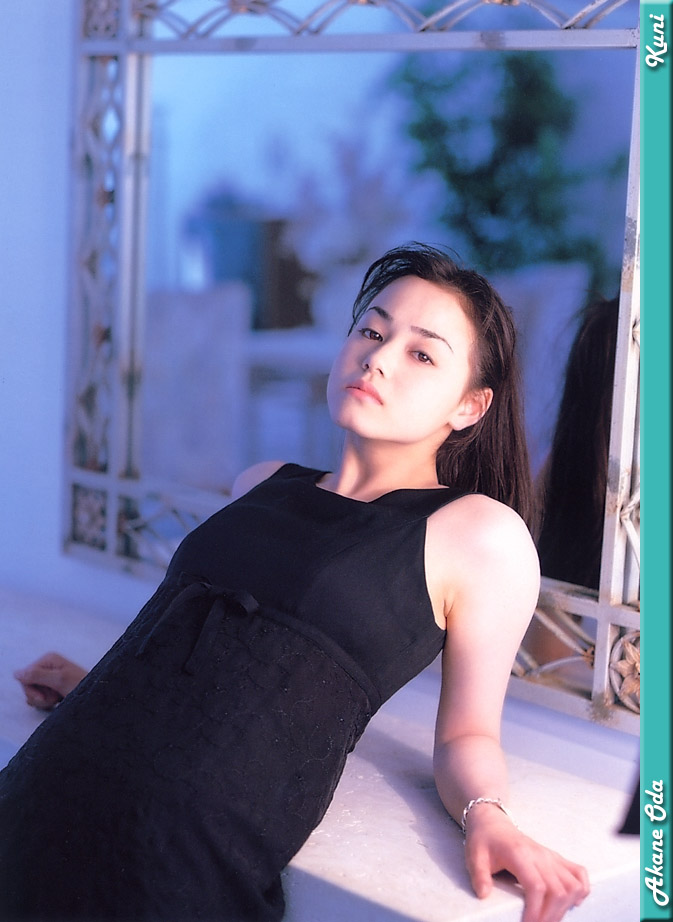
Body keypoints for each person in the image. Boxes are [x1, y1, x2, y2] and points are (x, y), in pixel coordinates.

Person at [1, 244, 589, 922]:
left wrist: (488, 816)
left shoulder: (477, 535)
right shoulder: (259, 483)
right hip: (40, 800)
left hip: (174, 861)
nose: (377, 359)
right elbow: (195, 647)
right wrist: (94, 688)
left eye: (422, 354)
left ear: (470, 406)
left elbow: (466, 737)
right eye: (371, 331)